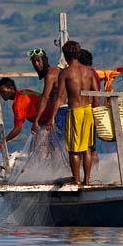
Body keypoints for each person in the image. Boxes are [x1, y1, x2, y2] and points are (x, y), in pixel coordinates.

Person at [45, 41, 100, 185]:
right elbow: (96, 94)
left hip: (75, 112)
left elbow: (59, 97)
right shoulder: (89, 72)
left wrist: (51, 117)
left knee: (74, 150)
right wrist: (95, 112)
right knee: (87, 148)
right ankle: (87, 180)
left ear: (65, 55)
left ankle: (76, 180)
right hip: (88, 111)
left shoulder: (66, 73)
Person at [0, 77, 51, 152]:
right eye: (0, 92)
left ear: (11, 88)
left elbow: (18, 128)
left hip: (50, 123)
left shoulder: (18, 103)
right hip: (47, 121)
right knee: (34, 150)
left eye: (3, 91)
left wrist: (2, 143)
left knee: (39, 152)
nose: (2, 95)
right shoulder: (24, 91)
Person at [28, 48, 68, 137]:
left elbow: (45, 98)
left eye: (38, 61)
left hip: (59, 113)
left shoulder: (50, 75)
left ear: (45, 60)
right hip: (61, 112)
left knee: (54, 146)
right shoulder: (56, 72)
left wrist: (36, 121)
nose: (36, 64)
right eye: (34, 62)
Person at [78, 49, 101, 171]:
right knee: (91, 147)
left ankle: (91, 174)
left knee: (89, 148)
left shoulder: (88, 74)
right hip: (90, 112)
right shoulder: (93, 74)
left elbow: (95, 96)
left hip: (88, 112)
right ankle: (94, 173)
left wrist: (94, 114)